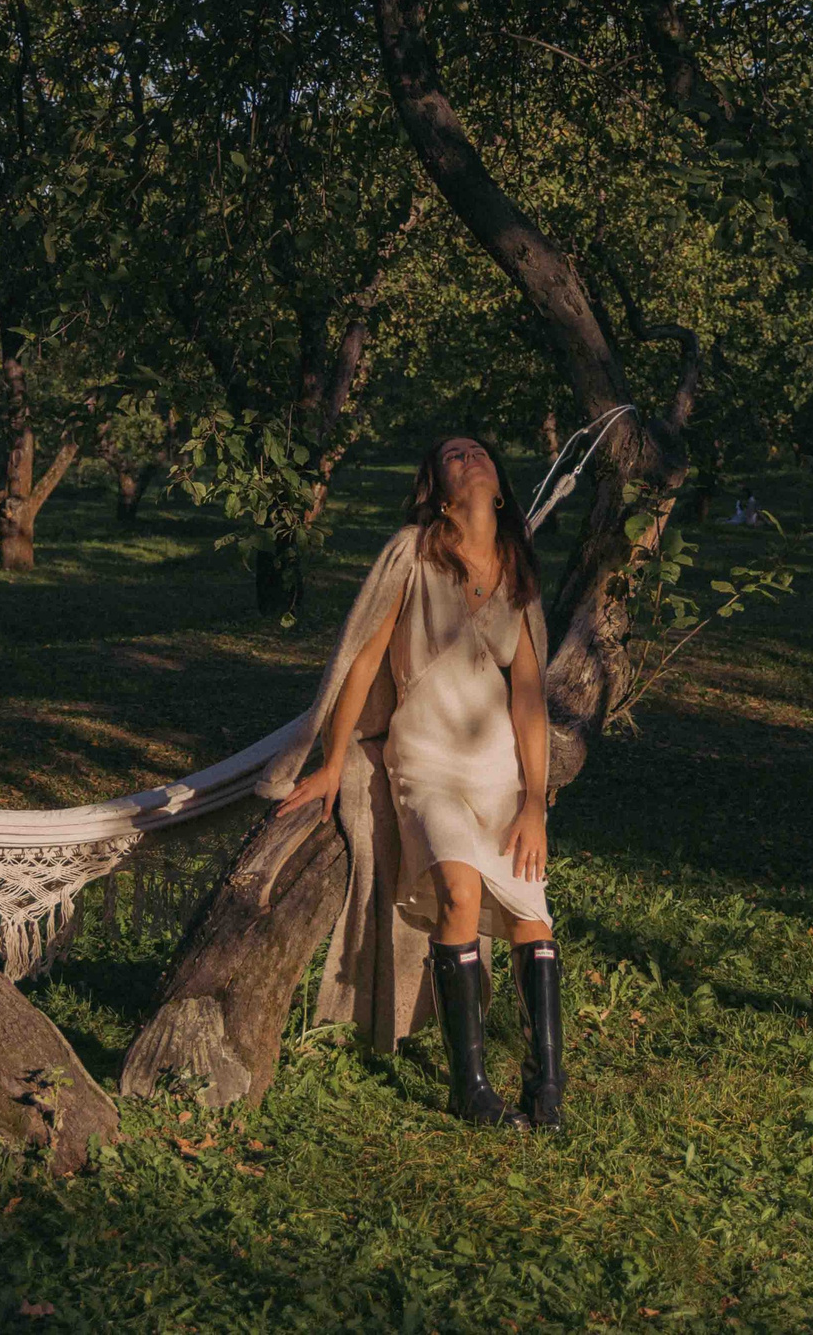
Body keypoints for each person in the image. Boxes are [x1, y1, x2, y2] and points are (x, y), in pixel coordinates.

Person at [270, 435, 563, 1129]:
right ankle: (472, 1087)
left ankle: (546, 1086)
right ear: (435, 489)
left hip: (497, 774)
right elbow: (364, 656)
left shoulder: (516, 567)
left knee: (533, 920)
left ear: (499, 482)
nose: (471, 456)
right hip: (426, 764)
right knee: (459, 891)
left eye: (480, 451)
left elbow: (527, 696)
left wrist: (533, 802)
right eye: (453, 455)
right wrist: (335, 760)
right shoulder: (413, 551)